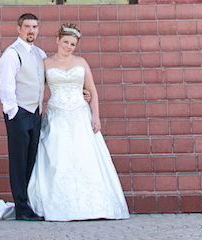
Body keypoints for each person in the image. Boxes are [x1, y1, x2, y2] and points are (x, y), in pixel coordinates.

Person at [27, 22, 130, 221]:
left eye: (72, 44)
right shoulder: (45, 63)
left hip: (80, 116)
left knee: (85, 157)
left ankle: (95, 206)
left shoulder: (81, 62)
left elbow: (92, 91)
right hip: (56, 117)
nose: (68, 47)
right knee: (57, 158)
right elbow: (37, 90)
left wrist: (96, 116)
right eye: (65, 42)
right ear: (57, 40)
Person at [0, 13, 46, 221]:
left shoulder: (40, 53)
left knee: (31, 159)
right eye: (27, 26)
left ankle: (28, 202)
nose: (31, 30)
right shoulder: (11, 53)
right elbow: (6, 85)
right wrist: (13, 112)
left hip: (35, 113)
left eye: (34, 27)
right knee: (18, 161)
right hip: (19, 113)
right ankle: (21, 208)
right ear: (19, 29)